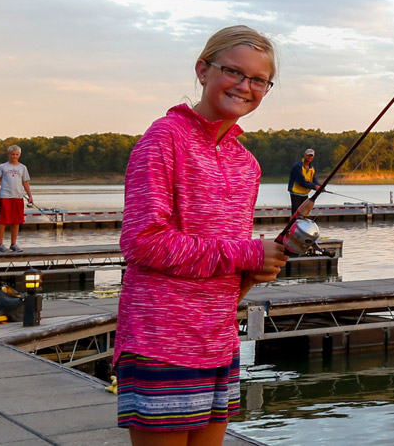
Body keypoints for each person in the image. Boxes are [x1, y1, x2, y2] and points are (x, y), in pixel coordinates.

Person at [114, 25, 290, 446]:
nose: (245, 86)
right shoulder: (163, 139)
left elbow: (225, 256)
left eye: (258, 80)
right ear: (203, 70)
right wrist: (246, 254)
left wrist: (256, 267)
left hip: (217, 337)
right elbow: (143, 241)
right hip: (161, 337)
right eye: (233, 71)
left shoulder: (247, 163)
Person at [0, 145, 32, 252]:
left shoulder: (22, 168)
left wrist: (30, 196)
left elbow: (25, 182)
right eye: (12, 154)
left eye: (17, 155)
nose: (14, 156)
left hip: (18, 197)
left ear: (19, 155)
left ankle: (13, 244)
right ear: (8, 154)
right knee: (3, 221)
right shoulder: (2, 167)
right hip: (5, 196)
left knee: (16, 221)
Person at [288, 148, 319, 215]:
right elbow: (302, 182)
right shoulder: (297, 166)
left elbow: (314, 180)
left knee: (303, 214)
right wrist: (314, 186)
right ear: (304, 155)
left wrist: (320, 187)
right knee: (295, 214)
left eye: (311, 156)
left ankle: (303, 223)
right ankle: (292, 224)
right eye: (308, 155)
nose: (309, 157)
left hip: (305, 194)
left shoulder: (312, 168)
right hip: (295, 193)